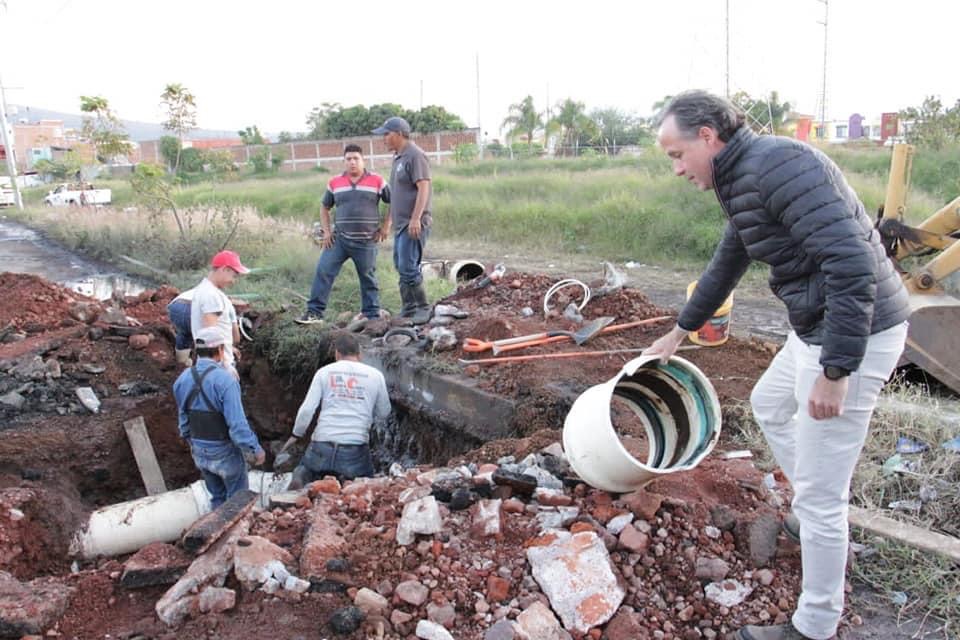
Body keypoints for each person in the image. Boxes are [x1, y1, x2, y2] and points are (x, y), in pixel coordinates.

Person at [643, 91, 910, 640]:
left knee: (820, 496)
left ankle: (815, 623)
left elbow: (851, 262)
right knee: (768, 402)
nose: (675, 169)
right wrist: (677, 332)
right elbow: (728, 260)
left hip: (854, 334)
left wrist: (837, 371)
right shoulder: (741, 178)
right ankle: (814, 517)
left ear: (708, 138)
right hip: (815, 328)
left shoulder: (780, 164)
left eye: (676, 154)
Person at [296, 144, 391, 325]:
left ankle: (371, 315)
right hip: (339, 240)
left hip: (366, 241)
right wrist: (327, 232)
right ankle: (314, 313)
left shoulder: (377, 181)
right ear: (344, 161)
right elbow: (324, 207)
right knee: (323, 271)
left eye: (356, 158)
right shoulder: (335, 183)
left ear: (363, 160)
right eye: (348, 159)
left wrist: (386, 226)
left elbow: (393, 202)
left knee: (367, 277)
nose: (352, 162)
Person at [173, 326, 265, 509]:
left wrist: (192, 443)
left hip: (199, 451)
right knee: (236, 504)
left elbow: (184, 421)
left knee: (217, 499)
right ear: (221, 350)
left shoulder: (181, 380)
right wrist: (254, 449)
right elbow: (237, 426)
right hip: (224, 451)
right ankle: (233, 535)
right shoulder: (225, 380)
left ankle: (216, 534)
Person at [283, 332, 390, 488]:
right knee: (366, 488)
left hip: (321, 446)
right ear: (359, 354)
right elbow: (384, 412)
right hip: (355, 449)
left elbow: (307, 410)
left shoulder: (324, 372)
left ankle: (302, 478)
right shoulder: (376, 375)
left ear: (337, 353)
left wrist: (296, 434)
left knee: (306, 473)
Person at [373, 116, 433, 325]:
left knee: (408, 267)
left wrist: (416, 218)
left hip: (413, 224)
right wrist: (387, 223)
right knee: (400, 265)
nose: (384, 139)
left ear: (399, 133)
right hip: (400, 225)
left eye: (386, 134)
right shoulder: (398, 158)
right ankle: (408, 308)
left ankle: (424, 308)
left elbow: (423, 187)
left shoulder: (415, 156)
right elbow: (396, 195)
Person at [190, 250, 250, 379]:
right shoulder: (211, 295)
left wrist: (229, 348)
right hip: (218, 368)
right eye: (234, 275)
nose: (233, 281)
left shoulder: (204, 290)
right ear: (224, 269)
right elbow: (210, 338)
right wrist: (226, 366)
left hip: (212, 366)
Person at [166, 286, 196, 367]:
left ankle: (181, 363)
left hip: (175, 306)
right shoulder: (223, 301)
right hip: (192, 309)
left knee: (184, 333)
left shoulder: (207, 288)